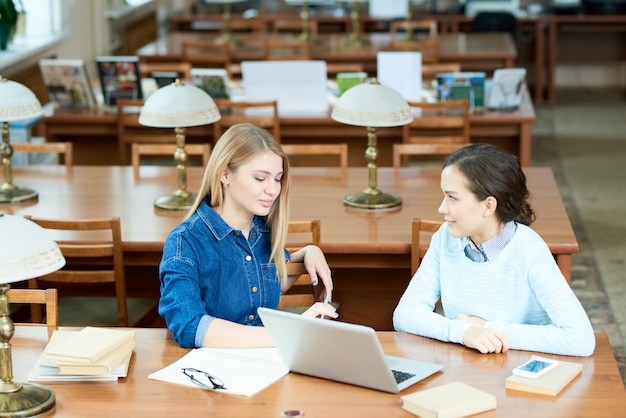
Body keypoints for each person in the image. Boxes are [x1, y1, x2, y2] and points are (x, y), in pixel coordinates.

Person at [393, 143, 595, 357]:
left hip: (518, 376)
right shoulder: (446, 238)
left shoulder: (528, 250)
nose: (442, 208)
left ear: (488, 206)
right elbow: (405, 314)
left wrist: (489, 329)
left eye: (452, 197)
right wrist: (464, 332)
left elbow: (580, 339)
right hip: (463, 369)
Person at [159, 123, 337, 349]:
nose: (272, 190)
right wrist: (290, 332)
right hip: (211, 372)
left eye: (277, 178)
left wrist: (308, 253)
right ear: (225, 174)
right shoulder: (185, 241)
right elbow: (189, 326)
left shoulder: (263, 229)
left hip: (266, 366)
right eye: (260, 178)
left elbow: (270, 282)